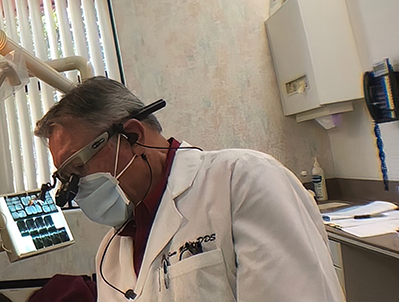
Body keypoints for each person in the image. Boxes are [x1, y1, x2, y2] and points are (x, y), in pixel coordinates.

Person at [34, 77, 344, 302]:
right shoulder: (111, 254)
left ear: (131, 135)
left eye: (78, 168)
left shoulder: (243, 181)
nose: (75, 189)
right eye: (66, 178)